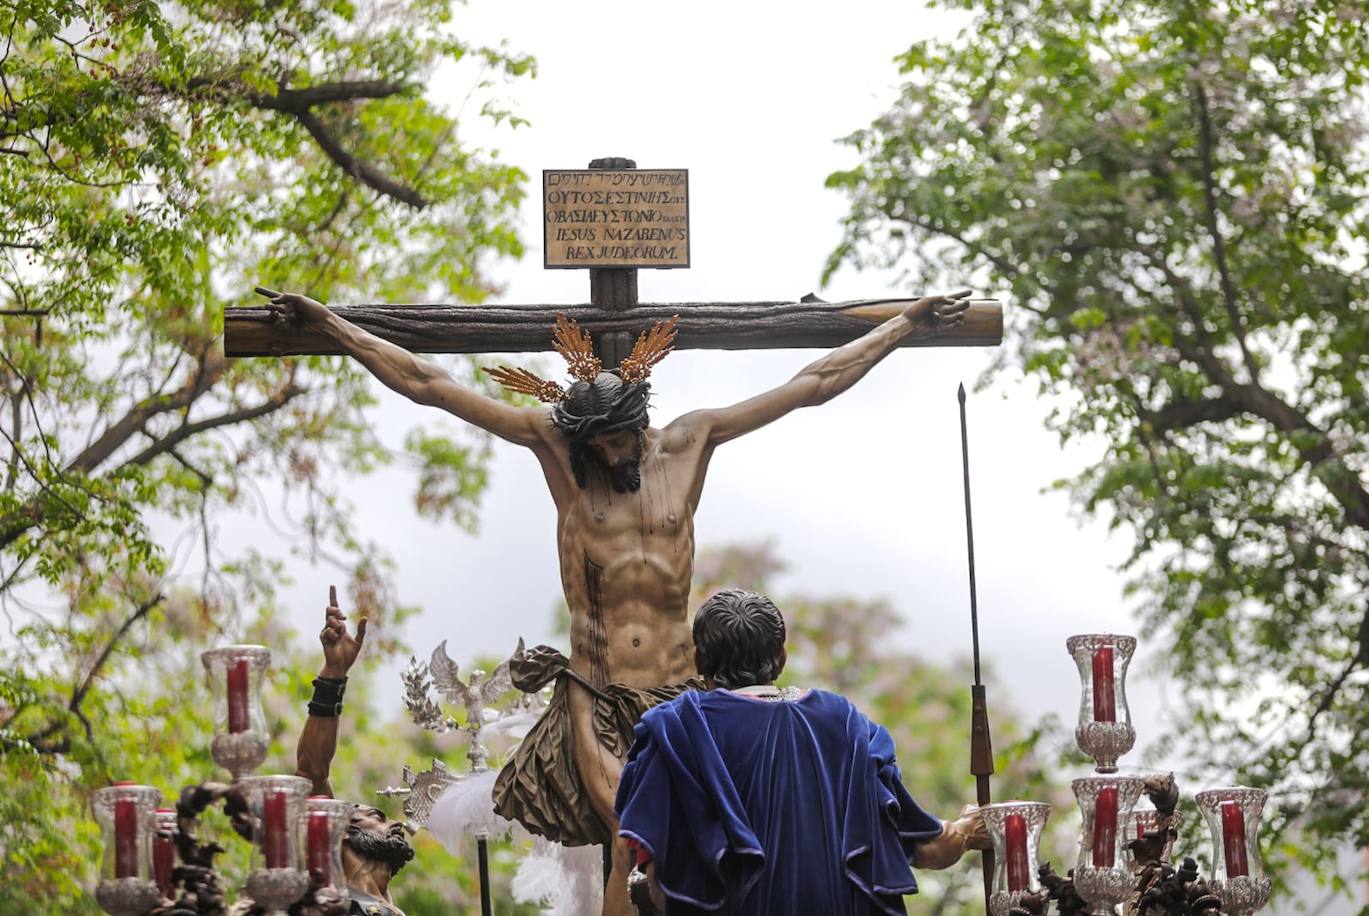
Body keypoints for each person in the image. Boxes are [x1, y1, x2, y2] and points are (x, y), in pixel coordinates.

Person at [259, 286, 971, 915]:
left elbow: (813, 381)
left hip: (686, 698)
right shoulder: (559, 453)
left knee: (716, 853)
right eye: (597, 444)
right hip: (596, 694)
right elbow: (428, 383)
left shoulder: (693, 441)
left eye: (621, 439)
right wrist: (331, 327)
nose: (610, 456)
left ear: (643, 420)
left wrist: (904, 322)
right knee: (631, 847)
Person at [613, 589, 990, 915]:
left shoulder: (675, 733)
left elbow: (658, 888)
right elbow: (928, 847)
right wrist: (967, 830)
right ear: (781, 658)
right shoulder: (845, 725)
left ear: (698, 660)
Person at [295, 586, 415, 916]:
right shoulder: (329, 902)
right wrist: (334, 675)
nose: (395, 823)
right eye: (376, 816)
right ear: (340, 834)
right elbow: (311, 771)